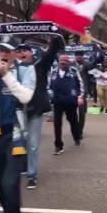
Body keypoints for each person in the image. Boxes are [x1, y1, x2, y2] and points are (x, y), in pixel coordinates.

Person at [0, 37, 36, 213]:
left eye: (8, 50)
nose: (3, 53)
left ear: (16, 53)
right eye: (1, 49)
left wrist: (6, 75)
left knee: (10, 183)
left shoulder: (26, 70)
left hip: (15, 135)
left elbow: (25, 97)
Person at [17, 37, 64, 189]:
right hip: (18, 110)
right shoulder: (13, 68)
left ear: (31, 53)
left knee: (32, 144)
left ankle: (32, 175)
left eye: (25, 50)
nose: (22, 53)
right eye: (20, 51)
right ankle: (23, 166)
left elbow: (50, 54)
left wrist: (55, 39)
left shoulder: (40, 65)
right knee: (20, 140)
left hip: (34, 109)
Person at [49, 54, 84, 154]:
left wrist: (80, 97)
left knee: (73, 121)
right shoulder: (54, 72)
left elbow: (80, 83)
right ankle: (58, 145)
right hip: (57, 101)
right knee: (57, 124)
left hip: (70, 100)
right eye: (61, 60)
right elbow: (49, 85)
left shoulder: (73, 71)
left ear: (68, 61)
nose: (63, 62)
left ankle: (76, 137)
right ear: (58, 61)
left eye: (65, 60)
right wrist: (50, 96)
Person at [74, 49, 104, 138]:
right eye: (77, 55)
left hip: (82, 93)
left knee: (82, 113)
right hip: (72, 93)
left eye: (80, 55)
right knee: (72, 113)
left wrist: (100, 53)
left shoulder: (86, 65)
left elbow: (97, 61)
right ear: (75, 57)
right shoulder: (71, 66)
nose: (79, 57)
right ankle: (75, 128)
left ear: (82, 57)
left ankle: (79, 131)